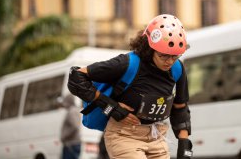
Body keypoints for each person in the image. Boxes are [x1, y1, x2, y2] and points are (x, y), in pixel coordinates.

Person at [68, 14, 193, 159]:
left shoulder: (177, 69)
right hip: (124, 135)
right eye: (163, 56)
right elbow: (76, 77)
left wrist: (185, 144)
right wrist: (111, 107)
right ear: (150, 47)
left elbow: (180, 107)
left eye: (175, 56)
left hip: (156, 136)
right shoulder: (127, 63)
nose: (169, 61)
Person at [60, 94, 81, 159]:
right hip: (73, 143)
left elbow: (75, 127)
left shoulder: (72, 111)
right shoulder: (75, 110)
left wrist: (64, 136)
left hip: (71, 144)